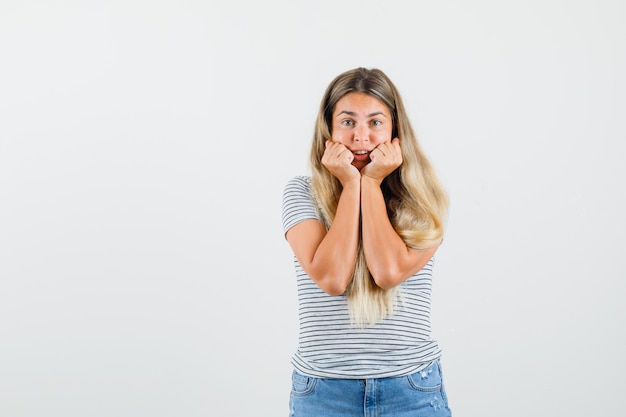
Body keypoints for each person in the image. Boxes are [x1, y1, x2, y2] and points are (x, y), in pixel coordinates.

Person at [282, 67, 452, 417]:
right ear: (328, 129)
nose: (361, 137)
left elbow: (387, 272)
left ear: (394, 131)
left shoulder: (423, 196)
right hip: (323, 393)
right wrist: (350, 185)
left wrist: (371, 184)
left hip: (411, 390)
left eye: (375, 122)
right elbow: (332, 278)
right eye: (348, 122)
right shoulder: (301, 192)